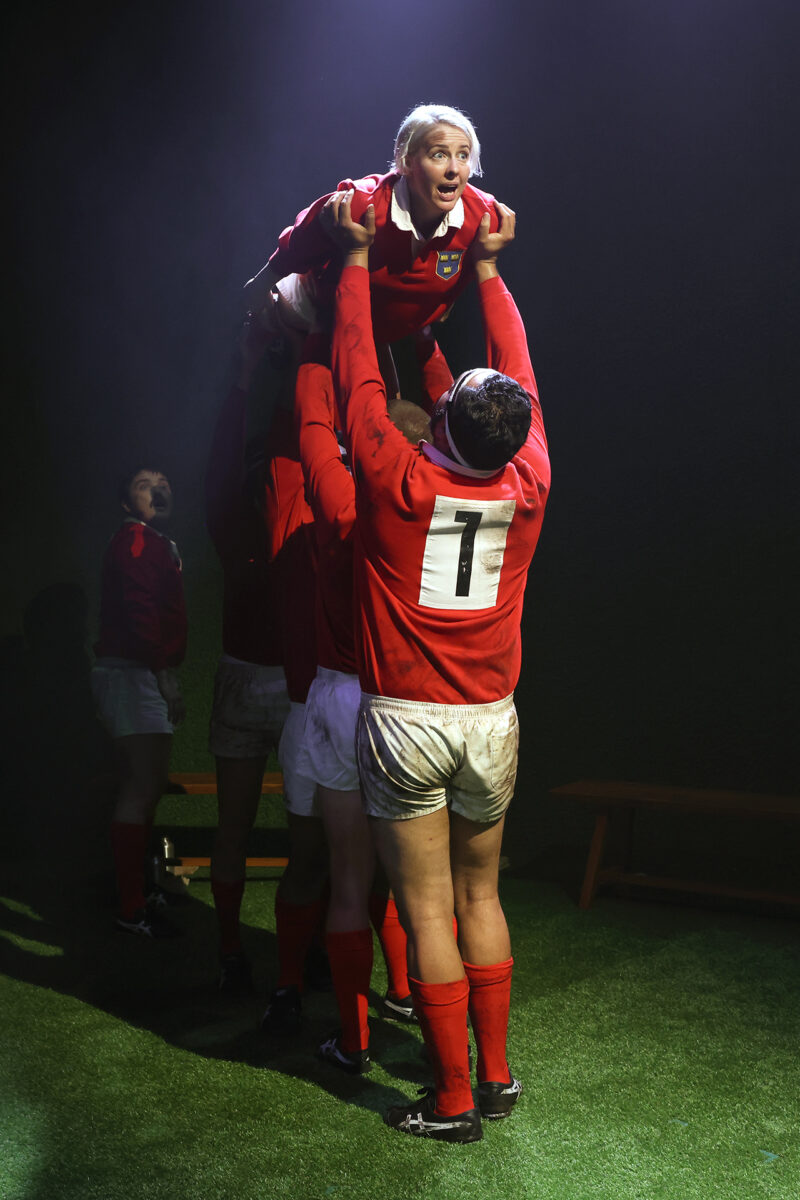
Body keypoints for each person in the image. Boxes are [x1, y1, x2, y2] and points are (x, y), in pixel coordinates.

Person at [325, 194, 550, 1143]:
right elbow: (521, 374)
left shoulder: (399, 481)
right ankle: (495, 1078)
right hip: (492, 718)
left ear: (443, 428)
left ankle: (452, 1102)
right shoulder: (530, 479)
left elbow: (351, 380)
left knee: (425, 914)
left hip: (410, 718)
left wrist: (352, 262)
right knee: (480, 897)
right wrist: (490, 274)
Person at [294, 335, 443, 1074]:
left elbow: (315, 428)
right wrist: (428, 346)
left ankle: (352, 1042)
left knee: (348, 879)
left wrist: (315, 345)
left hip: (336, 694)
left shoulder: (340, 495)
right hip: (403, 699)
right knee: (425, 889)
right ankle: (429, 1019)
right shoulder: (437, 512)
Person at [244, 103, 501, 343]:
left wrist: (444, 301)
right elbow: (303, 236)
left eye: (463, 155)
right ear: (407, 160)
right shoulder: (361, 203)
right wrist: (262, 284)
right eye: (439, 155)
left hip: (381, 330)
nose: (454, 169)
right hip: (315, 310)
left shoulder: (485, 215)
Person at [204, 317, 292, 992]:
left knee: (233, 823)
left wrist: (245, 370)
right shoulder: (311, 508)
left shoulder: (231, 512)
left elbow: (221, 455)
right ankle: (303, 957)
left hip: (244, 676)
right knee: (313, 835)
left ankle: (232, 949)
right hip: (295, 684)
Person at [92, 467, 187, 937]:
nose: (159, 489)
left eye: (165, 483)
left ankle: (137, 894)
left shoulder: (152, 541)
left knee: (146, 786)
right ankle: (130, 908)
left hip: (139, 670)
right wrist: (164, 674)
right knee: (140, 785)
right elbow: (139, 610)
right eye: (145, 485)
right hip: (133, 672)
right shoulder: (136, 541)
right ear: (127, 503)